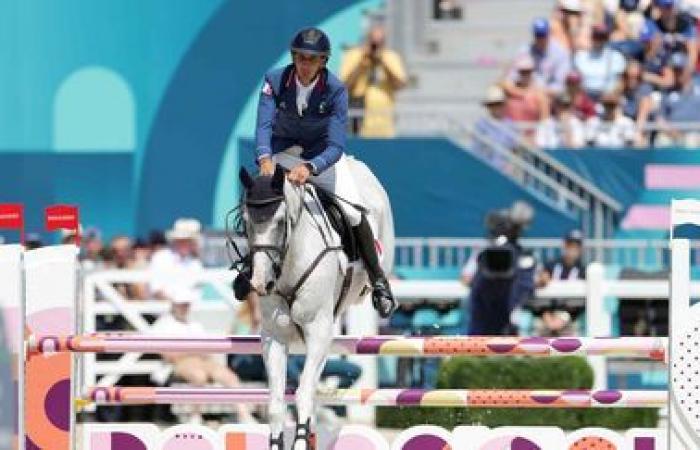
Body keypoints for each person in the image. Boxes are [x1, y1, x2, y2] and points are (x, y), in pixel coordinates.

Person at [239, 27, 396, 318]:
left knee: (353, 212)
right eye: (300, 57)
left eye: (312, 59)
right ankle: (250, 265)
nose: (305, 64)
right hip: (282, 153)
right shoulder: (274, 81)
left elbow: (336, 144)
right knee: (257, 199)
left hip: (320, 157)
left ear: (323, 61)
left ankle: (379, 282)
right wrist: (264, 159)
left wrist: (310, 167)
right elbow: (262, 127)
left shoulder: (336, 89)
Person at [150, 288, 257, 423]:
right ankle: (196, 415)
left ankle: (244, 414)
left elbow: (205, 350)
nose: (185, 307)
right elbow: (168, 355)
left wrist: (187, 349)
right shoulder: (164, 324)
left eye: (186, 304)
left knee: (229, 377)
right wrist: (194, 349)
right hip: (180, 363)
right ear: (174, 305)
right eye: (182, 304)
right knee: (198, 376)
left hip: (198, 361)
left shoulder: (194, 325)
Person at [339, 23, 407, 137]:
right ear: (367, 40)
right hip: (357, 118)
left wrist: (382, 62)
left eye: (379, 43)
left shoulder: (391, 57)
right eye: (373, 42)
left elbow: (399, 85)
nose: (375, 47)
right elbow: (344, 86)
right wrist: (362, 64)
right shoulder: (353, 55)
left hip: (384, 124)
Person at [532, 229, 587, 336]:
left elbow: (583, 304)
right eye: (570, 245)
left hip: (568, 318)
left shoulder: (582, 271)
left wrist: (563, 318)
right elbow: (535, 293)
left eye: (577, 246)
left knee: (569, 342)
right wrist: (546, 316)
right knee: (537, 341)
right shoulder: (550, 266)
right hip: (546, 315)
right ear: (565, 245)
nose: (573, 249)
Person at [506, 18, 572, 96]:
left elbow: (560, 85)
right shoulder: (525, 51)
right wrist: (522, 93)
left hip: (549, 95)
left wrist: (539, 93)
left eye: (543, 35)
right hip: (524, 93)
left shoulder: (560, 53)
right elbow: (511, 78)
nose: (540, 39)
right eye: (538, 36)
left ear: (548, 34)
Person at [149, 218, 205, 300]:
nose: (185, 244)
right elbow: (155, 289)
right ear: (175, 240)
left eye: (189, 240)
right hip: (161, 309)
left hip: (188, 309)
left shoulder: (195, 263)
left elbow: (197, 291)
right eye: (182, 240)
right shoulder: (160, 257)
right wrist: (173, 303)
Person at [574, 24, 627, 99]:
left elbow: (621, 82)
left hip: (607, 97)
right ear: (592, 37)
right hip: (585, 96)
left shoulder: (616, 57)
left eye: (602, 37)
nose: (599, 40)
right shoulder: (581, 56)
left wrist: (613, 94)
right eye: (596, 36)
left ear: (607, 38)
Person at [657, 52, 700, 145]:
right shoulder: (668, 92)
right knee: (662, 140)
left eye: (680, 70)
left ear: (687, 70)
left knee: (692, 141)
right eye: (675, 70)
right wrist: (672, 132)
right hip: (673, 135)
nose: (678, 73)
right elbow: (660, 119)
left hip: (696, 134)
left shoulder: (698, 86)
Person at [472, 85, 519, 168]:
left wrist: (510, 166)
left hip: (505, 170)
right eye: (493, 104)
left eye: (499, 104)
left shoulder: (510, 125)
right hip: (486, 168)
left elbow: (515, 149)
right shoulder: (481, 125)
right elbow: (476, 150)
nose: (496, 107)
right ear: (488, 107)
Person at [504, 55, 551, 134]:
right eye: (522, 72)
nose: (525, 75)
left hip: (531, 137)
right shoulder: (509, 91)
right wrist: (520, 93)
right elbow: (498, 85)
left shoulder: (539, 94)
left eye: (528, 72)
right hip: (510, 137)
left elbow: (544, 121)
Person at [653, 0, 697, 77]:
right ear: (659, 8)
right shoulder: (654, 25)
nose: (669, 10)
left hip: (680, 66)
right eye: (666, 7)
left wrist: (687, 73)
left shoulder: (685, 25)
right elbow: (649, 56)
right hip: (660, 66)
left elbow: (693, 52)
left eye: (670, 6)